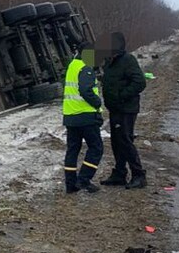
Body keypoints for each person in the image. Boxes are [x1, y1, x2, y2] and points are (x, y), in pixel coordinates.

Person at [100, 32, 147, 189]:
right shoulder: (109, 62)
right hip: (115, 108)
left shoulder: (127, 60)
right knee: (116, 141)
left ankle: (139, 175)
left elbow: (140, 82)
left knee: (125, 140)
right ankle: (119, 173)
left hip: (126, 108)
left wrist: (122, 95)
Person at [62, 42, 103, 194]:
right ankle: (84, 179)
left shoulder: (73, 65)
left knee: (73, 150)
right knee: (96, 148)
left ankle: (70, 184)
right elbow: (86, 90)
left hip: (70, 116)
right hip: (85, 116)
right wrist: (97, 102)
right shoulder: (85, 68)